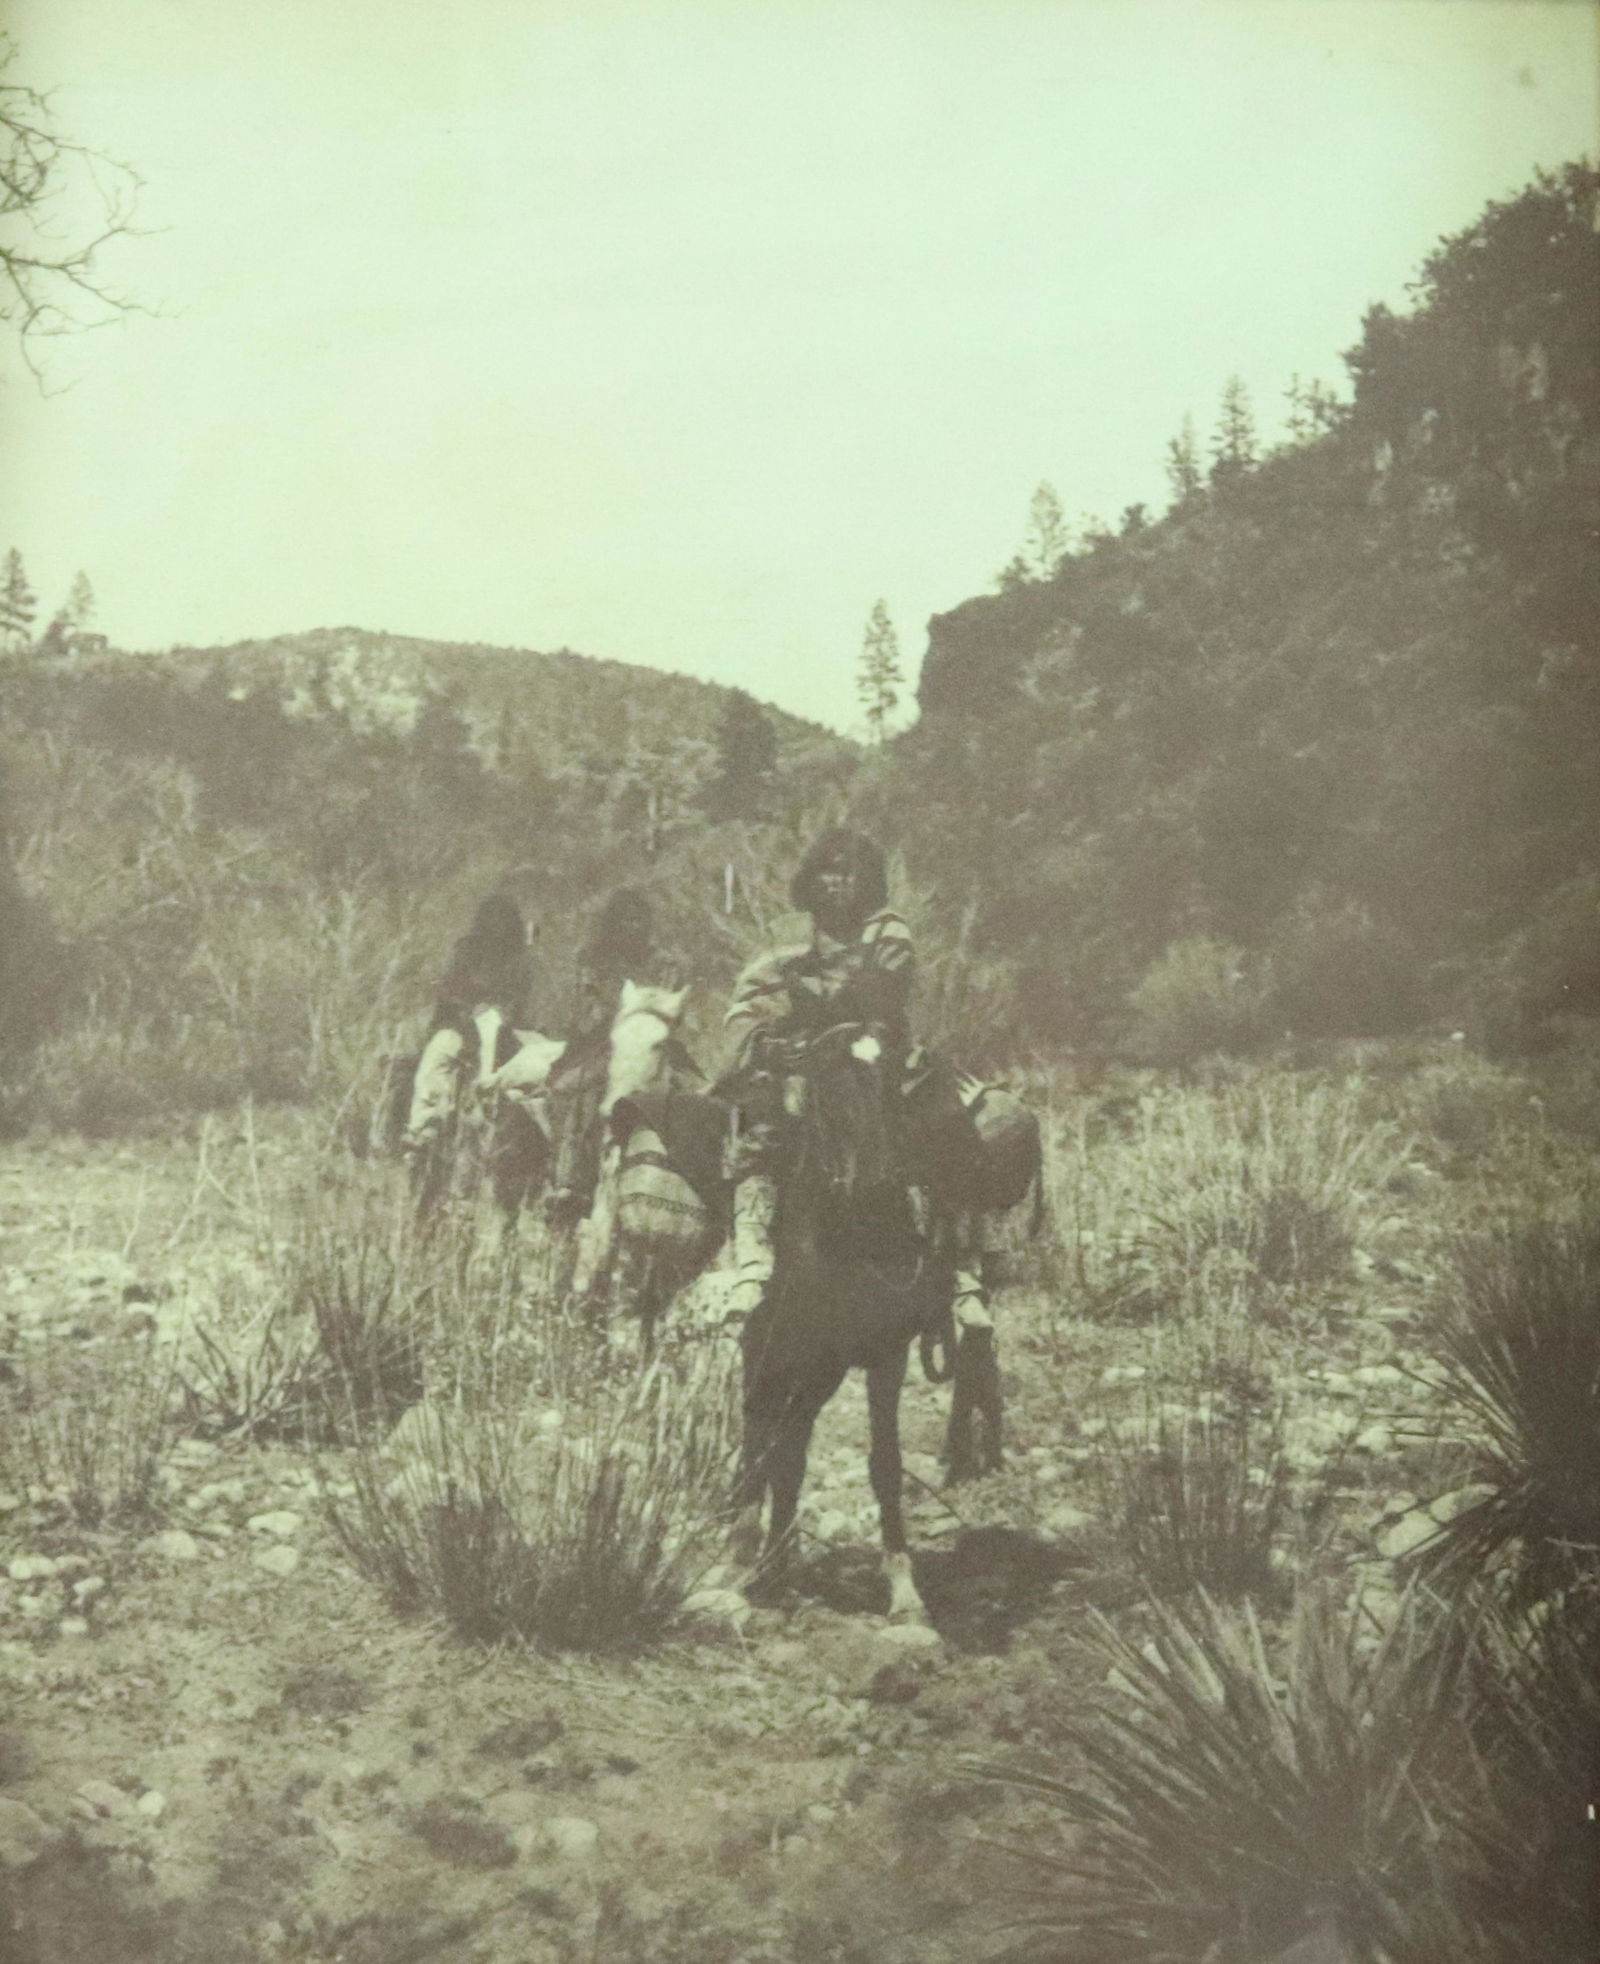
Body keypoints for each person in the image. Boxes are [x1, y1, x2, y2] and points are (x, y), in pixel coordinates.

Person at [719, 825, 999, 1324]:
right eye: (827, 871)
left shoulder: (887, 928)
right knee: (762, 1120)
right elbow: (751, 994)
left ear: (866, 880)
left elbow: (883, 992)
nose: (837, 883)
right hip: (799, 1047)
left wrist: (851, 1027)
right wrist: (767, 1035)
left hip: (875, 1041)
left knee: (937, 1115)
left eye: (848, 873)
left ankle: (961, 1264)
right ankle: (752, 1252)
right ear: (812, 878)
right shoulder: (788, 933)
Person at [544, 886, 671, 1224]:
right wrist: (607, 1014)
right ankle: (571, 1181)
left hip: (651, 1041)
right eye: (627, 920)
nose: (634, 928)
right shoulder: (593, 959)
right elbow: (583, 1014)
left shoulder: (661, 962)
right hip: (599, 1045)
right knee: (573, 1091)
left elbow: (671, 1003)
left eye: (639, 921)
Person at [402, 891, 534, 1201]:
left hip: (506, 1026)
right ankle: (424, 1124)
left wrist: (503, 1011)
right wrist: (463, 1008)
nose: (496, 926)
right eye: (490, 919)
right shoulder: (466, 951)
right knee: (439, 1051)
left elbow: (525, 997)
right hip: (463, 1024)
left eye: (502, 920)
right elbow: (448, 987)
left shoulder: (522, 960)